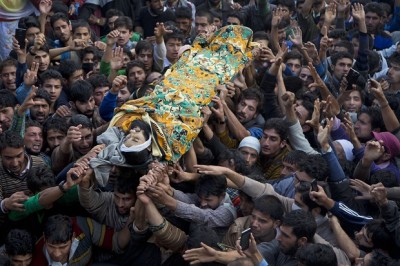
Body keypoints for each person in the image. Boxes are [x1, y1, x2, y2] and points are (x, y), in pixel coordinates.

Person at [30, 214, 132, 265]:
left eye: (63, 247)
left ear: (73, 237)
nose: (57, 254)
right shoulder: (34, 256)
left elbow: (117, 242)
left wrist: (132, 219)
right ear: (44, 238)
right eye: (51, 246)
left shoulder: (85, 227)